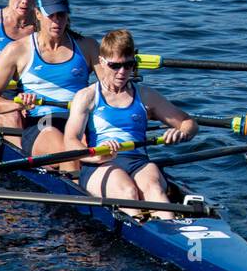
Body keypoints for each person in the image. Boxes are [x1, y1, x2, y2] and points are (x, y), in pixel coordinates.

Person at [64, 29, 197, 219]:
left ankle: (172, 234)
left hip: (137, 161)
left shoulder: (145, 95)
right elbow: (70, 142)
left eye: (128, 65)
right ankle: (142, 230)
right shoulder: (87, 97)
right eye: (115, 66)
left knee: (154, 190)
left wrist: (181, 132)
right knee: (128, 193)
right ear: (102, 61)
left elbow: (189, 123)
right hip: (100, 164)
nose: (122, 72)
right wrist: (97, 156)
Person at [0, 0, 99, 165]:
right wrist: (17, 105)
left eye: (61, 15)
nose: (56, 21)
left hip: (80, 120)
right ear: (38, 14)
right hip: (42, 123)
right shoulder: (17, 50)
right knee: (72, 157)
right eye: (51, 15)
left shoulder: (88, 47)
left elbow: (111, 88)